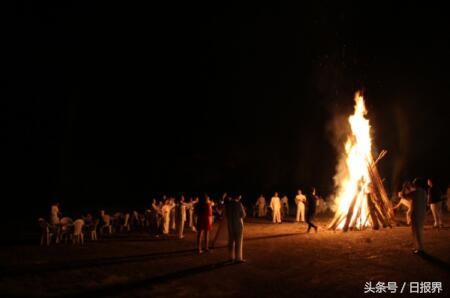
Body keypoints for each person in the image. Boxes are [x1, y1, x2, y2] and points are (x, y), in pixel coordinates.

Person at [405, 178, 428, 254]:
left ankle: (420, 249)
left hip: (416, 214)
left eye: (413, 183)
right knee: (419, 231)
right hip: (423, 213)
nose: (413, 184)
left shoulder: (415, 192)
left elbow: (404, 195)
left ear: (415, 184)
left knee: (416, 231)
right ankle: (418, 247)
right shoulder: (424, 192)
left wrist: (405, 187)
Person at [226, 194, 246, 263]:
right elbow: (243, 215)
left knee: (231, 242)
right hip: (238, 224)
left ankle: (230, 257)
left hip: (230, 225)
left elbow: (226, 214)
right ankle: (238, 258)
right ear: (238, 197)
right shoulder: (239, 204)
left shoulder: (228, 205)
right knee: (239, 242)